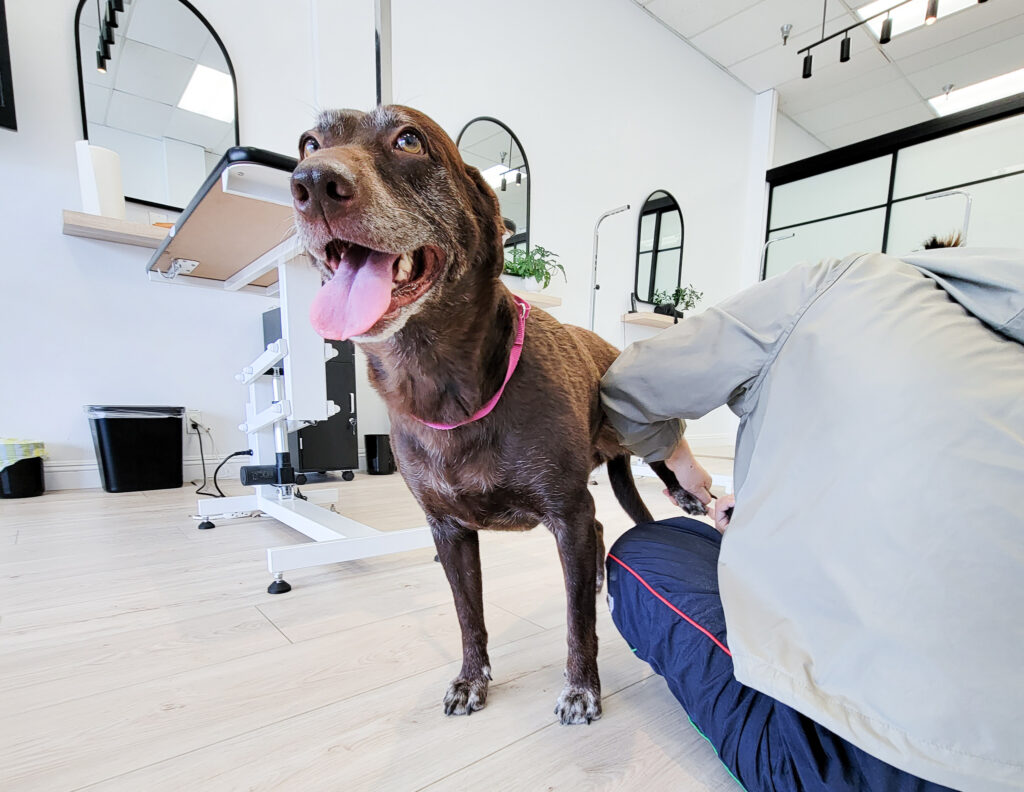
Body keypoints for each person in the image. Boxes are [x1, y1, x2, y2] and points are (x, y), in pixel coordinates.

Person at [600, 245, 1024, 792]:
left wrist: (677, 459)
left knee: (647, 551)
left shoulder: (851, 280)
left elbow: (629, 387)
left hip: (878, 765)